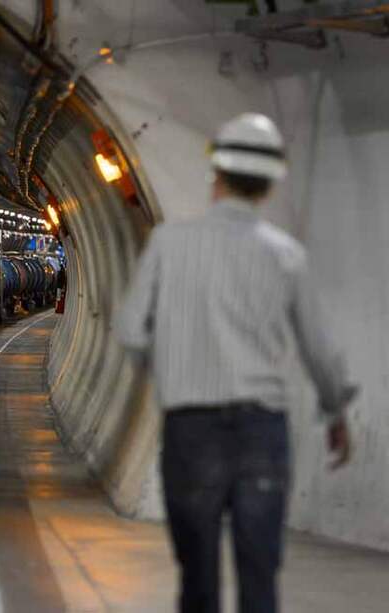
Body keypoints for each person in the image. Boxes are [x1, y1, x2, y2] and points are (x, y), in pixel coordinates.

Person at [115, 113, 357, 613]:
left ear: (216, 175)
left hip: (190, 430)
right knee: (259, 579)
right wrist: (335, 412)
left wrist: (171, 373)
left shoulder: (168, 244)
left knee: (198, 581)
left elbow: (130, 329)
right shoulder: (286, 256)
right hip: (261, 434)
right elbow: (320, 348)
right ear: (268, 185)